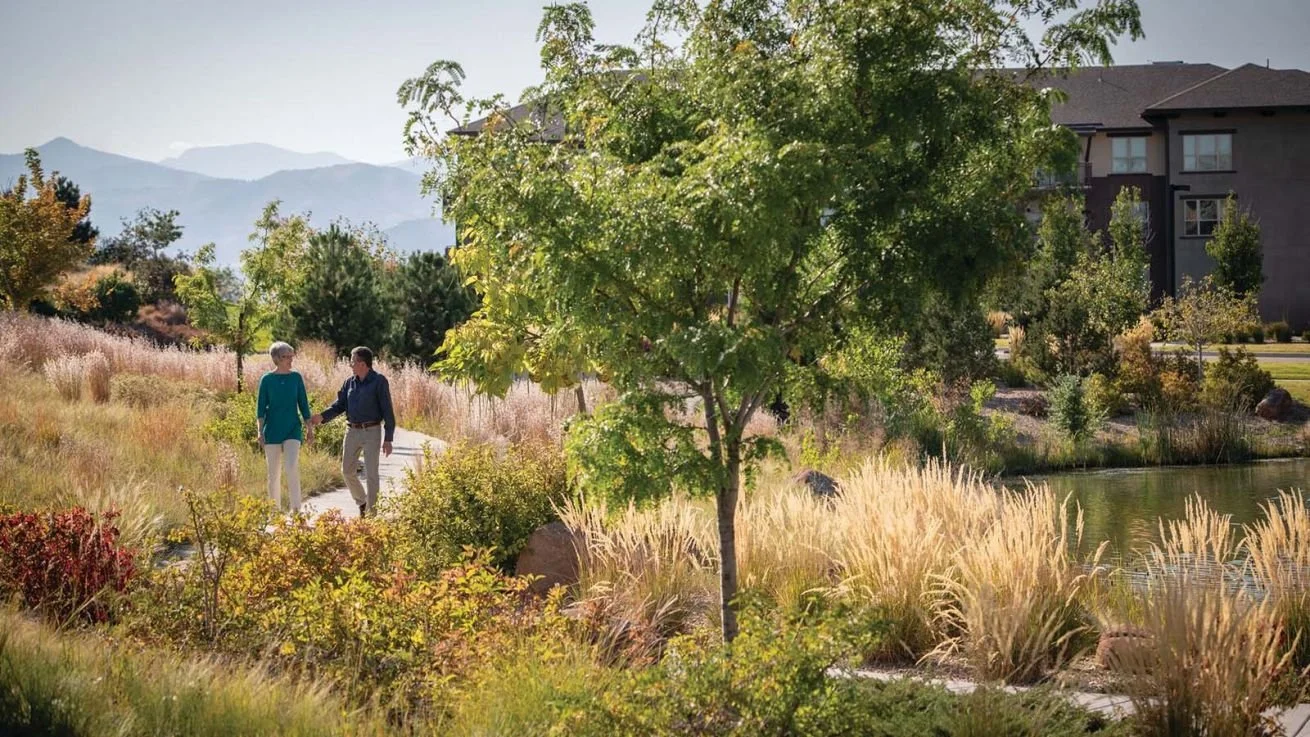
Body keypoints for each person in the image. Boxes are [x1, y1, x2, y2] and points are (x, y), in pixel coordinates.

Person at [310, 346, 395, 518]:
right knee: (347, 471)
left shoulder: (379, 381)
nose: (350, 365)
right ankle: (362, 501)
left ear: (362, 364)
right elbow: (339, 406)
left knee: (372, 474)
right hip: (352, 431)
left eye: (352, 361)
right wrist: (322, 417)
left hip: (372, 431)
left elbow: (387, 410)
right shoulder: (349, 382)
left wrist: (388, 438)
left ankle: (371, 515)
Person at [256, 341, 313, 514]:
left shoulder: (296, 378)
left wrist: (309, 428)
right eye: (286, 356)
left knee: (291, 466)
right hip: (272, 430)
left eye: (291, 356)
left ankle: (296, 510)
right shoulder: (267, 380)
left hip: (292, 429)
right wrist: (260, 431)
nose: (290, 359)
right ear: (276, 359)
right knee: (273, 473)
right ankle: (274, 512)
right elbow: (260, 409)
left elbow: (303, 404)